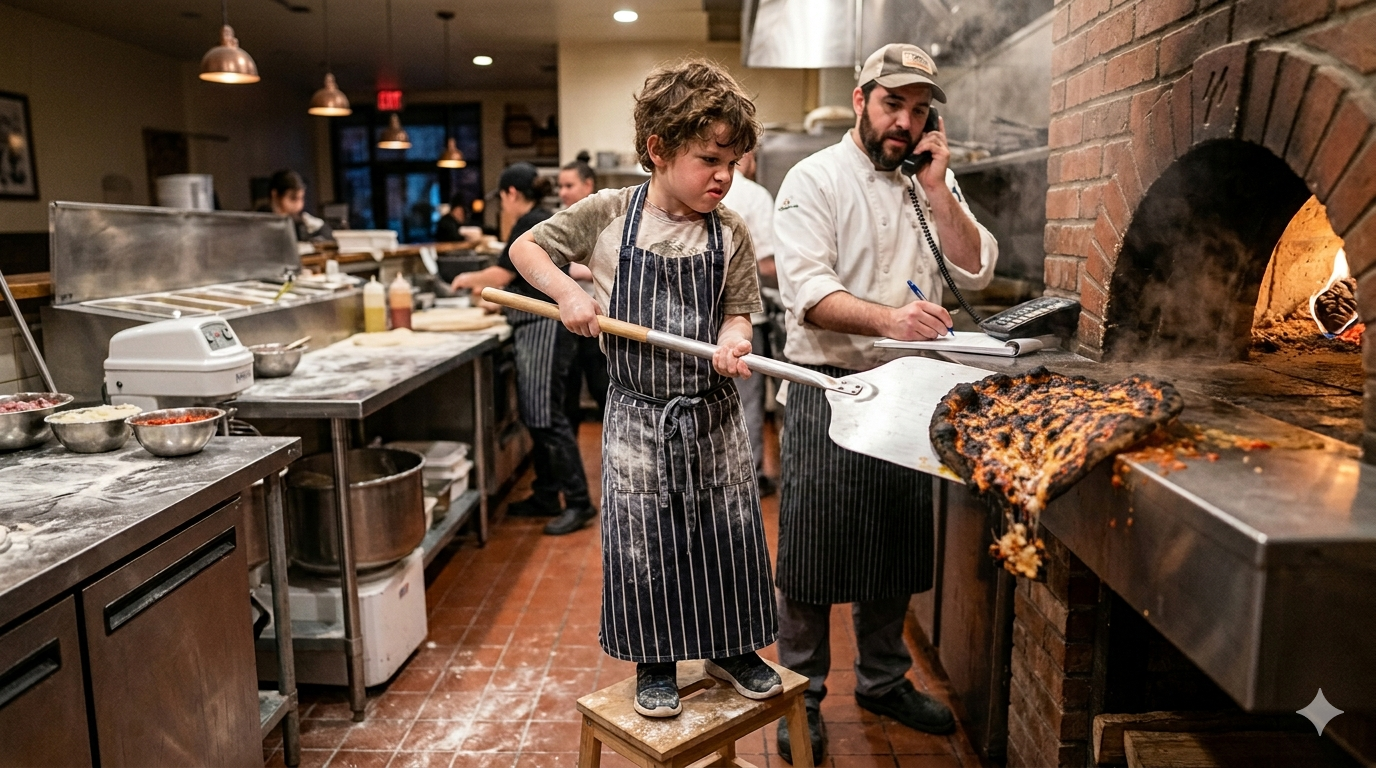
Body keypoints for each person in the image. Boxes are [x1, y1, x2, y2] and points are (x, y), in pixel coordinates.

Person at [508, 59, 781, 719]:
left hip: (713, 416)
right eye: (709, 159)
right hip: (636, 415)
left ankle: (733, 645)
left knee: (728, 532)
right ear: (658, 150)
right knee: (644, 540)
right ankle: (654, 661)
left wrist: (735, 339)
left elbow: (739, 308)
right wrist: (571, 291)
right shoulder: (608, 214)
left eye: (734, 161)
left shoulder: (731, 231)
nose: (725, 175)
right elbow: (525, 248)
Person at [772, 44, 998, 763]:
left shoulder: (930, 178)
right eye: (892, 104)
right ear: (860, 98)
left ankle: (882, 680)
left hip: (910, 394)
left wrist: (936, 189)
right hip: (828, 390)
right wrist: (892, 320)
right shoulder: (815, 179)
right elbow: (806, 295)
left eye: (918, 109)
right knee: (811, 562)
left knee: (895, 551)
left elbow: (980, 267)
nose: (905, 121)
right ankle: (800, 695)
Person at [451, 162, 596, 534]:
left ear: (511, 194)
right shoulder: (540, 218)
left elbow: (502, 275)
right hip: (544, 328)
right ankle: (547, 493)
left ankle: (579, 503)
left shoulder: (527, 223)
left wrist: (466, 278)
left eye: (502, 199)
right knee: (546, 415)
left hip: (544, 328)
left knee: (545, 417)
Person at [718, 149, 778, 496]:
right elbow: (768, 265)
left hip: (701, 326)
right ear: (749, 156)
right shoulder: (755, 195)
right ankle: (748, 479)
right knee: (744, 403)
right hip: (743, 319)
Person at [556, 156, 610, 434]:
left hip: (601, 320)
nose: (563, 192)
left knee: (604, 389)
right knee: (568, 395)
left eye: (569, 185)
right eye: (560, 186)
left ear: (588, 185)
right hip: (568, 323)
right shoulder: (558, 222)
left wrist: (582, 271)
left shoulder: (605, 218)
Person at [267, 169, 332, 242]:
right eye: (293, 198)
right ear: (275, 196)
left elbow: (324, 230)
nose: (299, 205)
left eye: (301, 198)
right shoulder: (260, 223)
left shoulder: (302, 222)